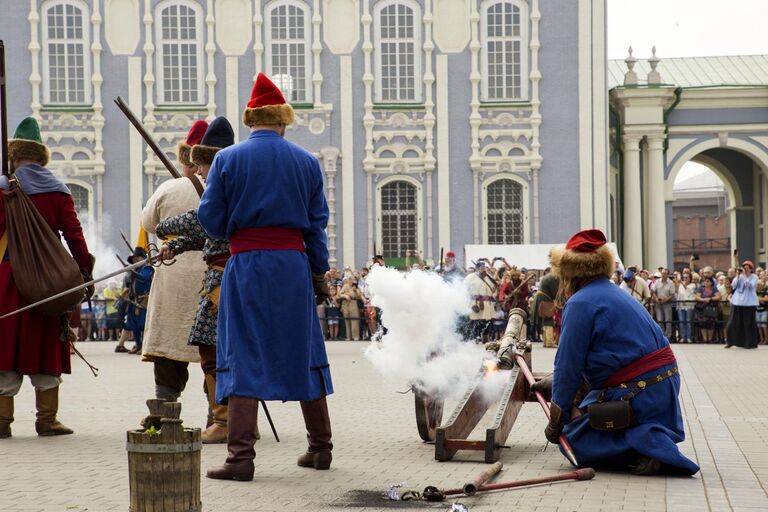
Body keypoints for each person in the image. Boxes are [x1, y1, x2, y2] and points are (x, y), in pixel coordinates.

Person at [199, 73, 333, 481]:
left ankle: (240, 459)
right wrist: (319, 272)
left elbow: (210, 218)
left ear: (251, 119)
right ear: (282, 120)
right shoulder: (307, 161)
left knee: (244, 350)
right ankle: (320, 448)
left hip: (247, 265)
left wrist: (237, 229)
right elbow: (316, 225)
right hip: (292, 265)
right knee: (303, 349)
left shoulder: (227, 159)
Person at [534, 229, 698, 476]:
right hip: (660, 388)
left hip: (640, 391)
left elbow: (568, 366)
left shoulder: (580, 303)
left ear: (569, 273)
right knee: (588, 412)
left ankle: (648, 445)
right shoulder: (614, 292)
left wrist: (559, 416)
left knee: (573, 442)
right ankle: (650, 436)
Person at [0, 117, 93, 438]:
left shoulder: (2, 190)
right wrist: (84, 272)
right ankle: (46, 418)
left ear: (14, 157)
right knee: (44, 346)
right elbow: (74, 236)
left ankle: (1, 421)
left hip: (7, 278)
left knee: (4, 347)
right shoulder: (57, 191)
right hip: (47, 282)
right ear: (41, 157)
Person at [156, 116, 243, 444]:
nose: (200, 172)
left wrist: (168, 228)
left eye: (204, 165)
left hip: (224, 280)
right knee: (220, 350)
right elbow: (211, 234)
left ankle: (224, 422)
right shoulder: (230, 185)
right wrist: (175, 246)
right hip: (224, 274)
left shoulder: (225, 189)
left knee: (213, 350)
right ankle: (236, 420)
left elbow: (201, 220)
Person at [138, 120, 209, 412]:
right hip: (213, 275)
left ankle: (166, 409)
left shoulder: (171, 188)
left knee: (169, 348)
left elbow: (149, 223)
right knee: (216, 352)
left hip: (174, 273)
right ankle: (222, 415)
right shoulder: (229, 185)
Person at [124, 247, 154, 354]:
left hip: (143, 300)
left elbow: (143, 278)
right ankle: (137, 345)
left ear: (143, 257)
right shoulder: (135, 269)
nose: (136, 260)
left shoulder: (147, 268)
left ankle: (144, 346)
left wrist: (133, 273)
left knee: (142, 325)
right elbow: (128, 283)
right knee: (133, 325)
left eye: (138, 257)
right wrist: (129, 273)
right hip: (134, 300)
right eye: (135, 258)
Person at [725, 260, 759, 349]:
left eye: (748, 268)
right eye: (744, 268)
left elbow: (749, 285)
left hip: (748, 303)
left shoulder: (754, 277)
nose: (746, 270)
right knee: (732, 323)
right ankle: (731, 341)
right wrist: (738, 275)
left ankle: (748, 343)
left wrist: (744, 277)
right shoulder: (739, 276)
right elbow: (734, 285)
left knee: (747, 324)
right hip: (737, 302)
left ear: (751, 269)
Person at [464, 261, 497, 342]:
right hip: (475, 302)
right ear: (477, 268)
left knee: (487, 320)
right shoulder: (470, 277)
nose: (483, 269)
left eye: (483, 268)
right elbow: (464, 289)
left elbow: (494, 288)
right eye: (481, 268)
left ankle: (485, 337)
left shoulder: (488, 277)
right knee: (474, 320)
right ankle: (473, 337)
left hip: (487, 303)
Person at [650, 268, 675, 339]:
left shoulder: (671, 283)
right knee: (660, 320)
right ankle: (662, 336)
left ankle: (668, 336)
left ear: (668, 275)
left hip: (667, 303)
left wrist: (666, 299)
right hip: (658, 303)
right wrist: (656, 298)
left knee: (668, 320)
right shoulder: (657, 282)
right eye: (662, 273)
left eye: (665, 274)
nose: (663, 275)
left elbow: (672, 294)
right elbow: (653, 291)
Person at [694, 276, 720, 343]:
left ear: (711, 282)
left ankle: (710, 339)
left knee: (711, 324)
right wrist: (703, 299)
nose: (706, 282)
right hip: (702, 308)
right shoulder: (701, 288)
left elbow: (718, 296)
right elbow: (696, 296)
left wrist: (710, 299)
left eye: (708, 281)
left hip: (711, 308)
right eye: (705, 281)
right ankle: (705, 339)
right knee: (702, 324)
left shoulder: (714, 288)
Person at [676, 273, 696, 343]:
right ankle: (683, 337)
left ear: (690, 278)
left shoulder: (693, 285)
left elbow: (688, 290)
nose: (684, 279)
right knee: (682, 321)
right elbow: (679, 294)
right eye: (683, 277)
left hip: (689, 305)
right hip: (681, 306)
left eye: (686, 277)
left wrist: (680, 281)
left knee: (688, 322)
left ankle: (688, 337)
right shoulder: (681, 285)